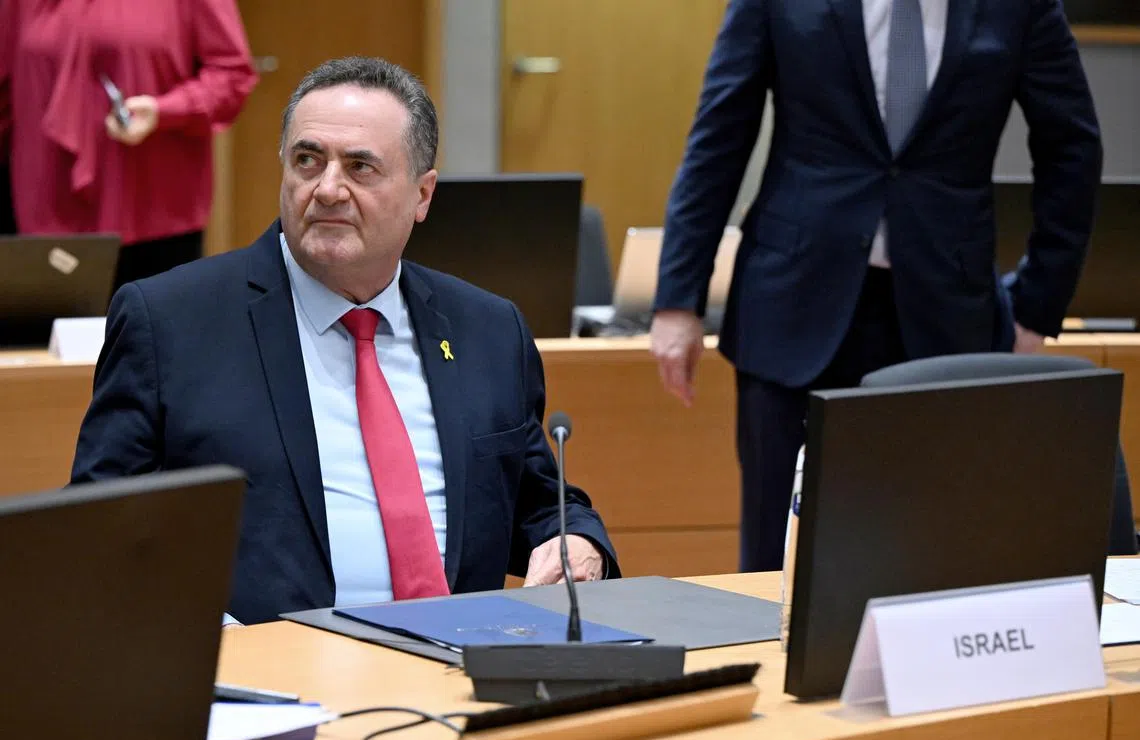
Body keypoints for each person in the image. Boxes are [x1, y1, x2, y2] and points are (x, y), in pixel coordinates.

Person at [70, 56, 618, 625]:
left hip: (458, 669)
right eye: (308, 160)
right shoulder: (171, 320)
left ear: (422, 195)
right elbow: (94, 531)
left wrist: (577, 542)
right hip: (266, 680)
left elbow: (539, 501)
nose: (328, 189)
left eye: (360, 168)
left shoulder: (486, 328)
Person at [650, 0, 1103, 571]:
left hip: (948, 319)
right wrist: (678, 299)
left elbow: (1073, 148)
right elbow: (719, 133)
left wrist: (1038, 305)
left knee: (941, 554)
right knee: (778, 561)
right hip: (792, 308)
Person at [0, 0, 257, 291]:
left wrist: (166, 110)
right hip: (45, 214)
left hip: (152, 213)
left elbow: (232, 75)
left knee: (151, 331)